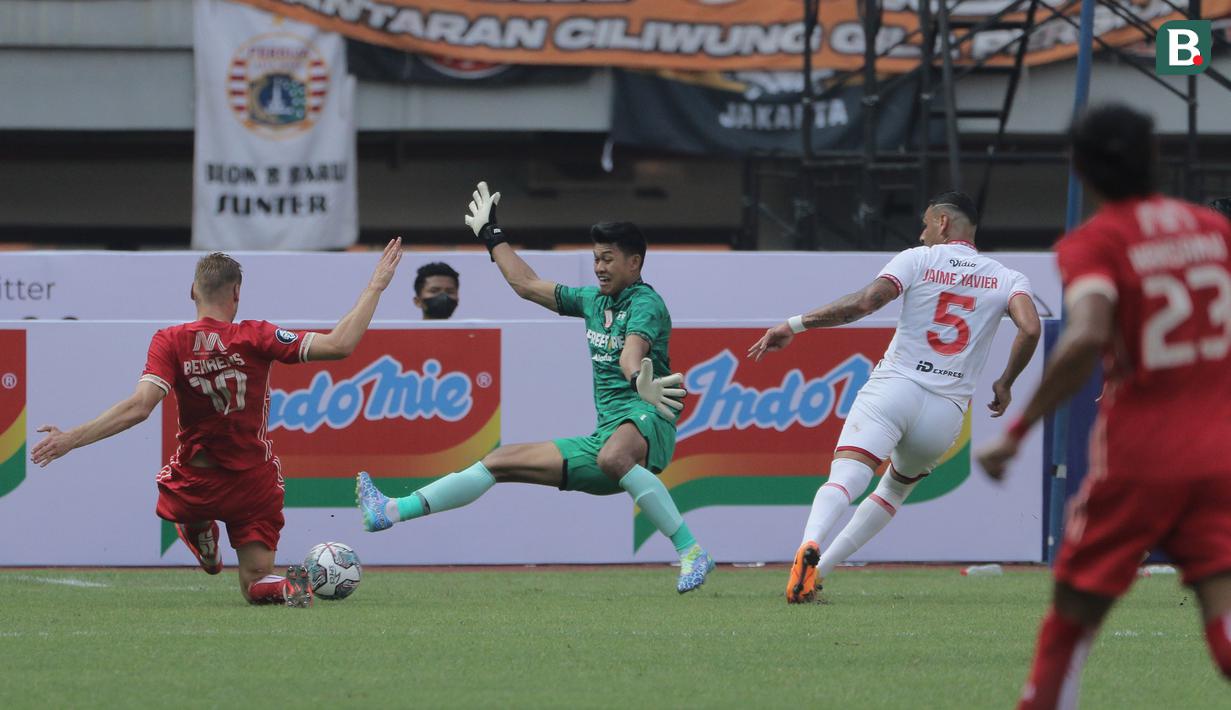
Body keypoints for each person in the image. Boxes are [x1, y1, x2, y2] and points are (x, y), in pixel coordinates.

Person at [977, 104, 1231, 708]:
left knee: (1070, 619)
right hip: (1220, 453)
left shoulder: (1096, 241)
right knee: (1223, 613)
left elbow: (1088, 332)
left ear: (1079, 168)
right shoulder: (1213, 231)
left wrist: (1017, 429)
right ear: (1155, 157)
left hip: (1141, 457)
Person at [357, 181, 715, 593]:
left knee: (615, 456)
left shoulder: (645, 303)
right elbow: (526, 284)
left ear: (634, 263)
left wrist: (637, 378)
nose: (599, 267)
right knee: (501, 460)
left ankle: (691, 551)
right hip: (607, 438)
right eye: (596, 258)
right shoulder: (591, 301)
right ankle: (388, 511)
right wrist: (493, 236)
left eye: (608, 259)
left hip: (647, 418)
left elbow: (630, 353)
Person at [31, 239, 404, 606]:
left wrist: (71, 438)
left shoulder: (170, 341)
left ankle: (198, 528)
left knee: (193, 514)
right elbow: (340, 345)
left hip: (196, 483)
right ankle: (307, 583)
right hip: (252, 484)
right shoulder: (258, 336)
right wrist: (376, 286)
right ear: (237, 293)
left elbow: (140, 407)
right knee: (255, 584)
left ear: (193, 290)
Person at [749, 191, 1041, 604]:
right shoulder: (1007, 277)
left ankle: (810, 544)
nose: (921, 234)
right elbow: (1030, 329)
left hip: (895, 387)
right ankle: (821, 572)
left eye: (925, 224)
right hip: (945, 411)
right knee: (893, 491)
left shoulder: (918, 259)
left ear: (942, 222)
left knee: (847, 475)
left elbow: (864, 304)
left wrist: (795, 325)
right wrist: (1006, 382)